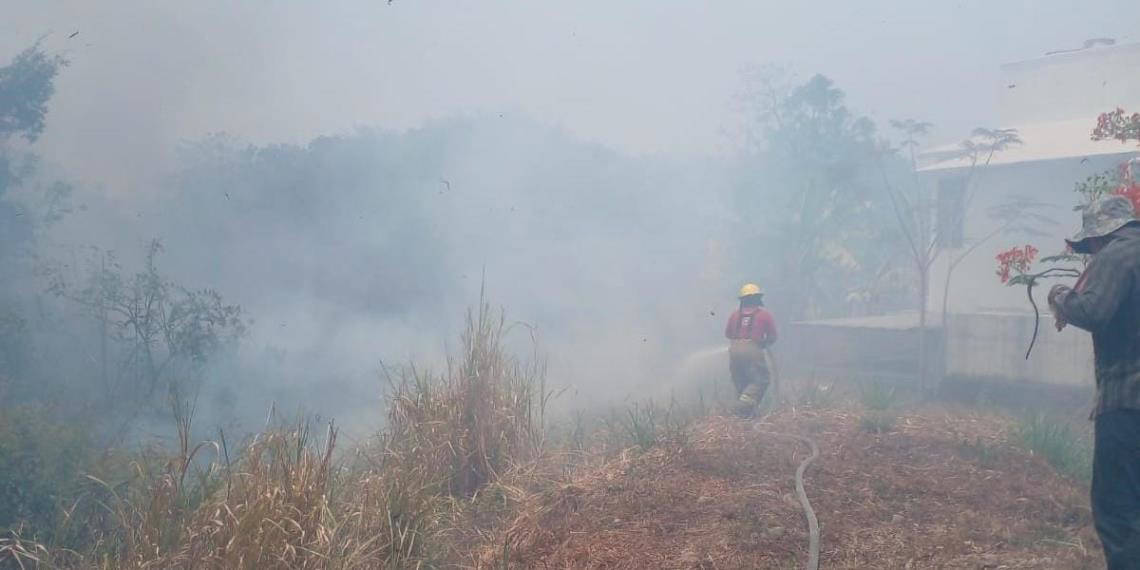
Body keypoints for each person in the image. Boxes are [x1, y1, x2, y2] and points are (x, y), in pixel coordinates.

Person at [1048, 195, 1140, 569]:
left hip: (1128, 403)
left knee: (1118, 510)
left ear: (1100, 236)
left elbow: (1092, 310)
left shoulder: (1118, 255)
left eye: (1090, 247)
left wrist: (1059, 296)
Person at [724, 283, 778, 416]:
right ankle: (742, 406)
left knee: (741, 382)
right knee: (761, 379)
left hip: (734, 350)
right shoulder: (765, 315)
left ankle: (744, 415)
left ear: (742, 301)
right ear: (758, 299)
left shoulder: (734, 315)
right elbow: (773, 336)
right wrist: (763, 343)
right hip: (753, 349)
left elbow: (728, 334)